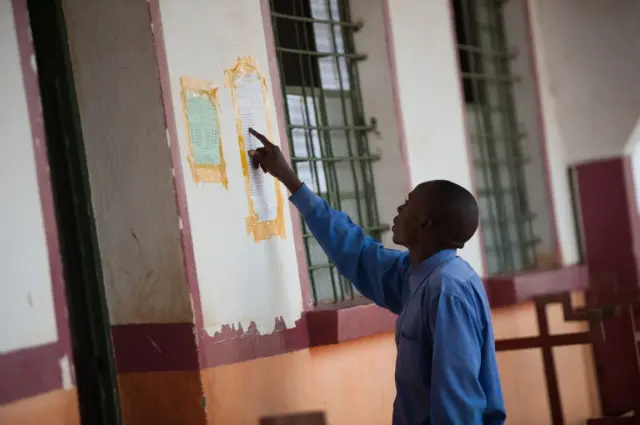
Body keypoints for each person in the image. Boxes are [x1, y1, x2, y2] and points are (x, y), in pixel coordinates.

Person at [248, 128, 506, 425]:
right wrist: (290, 181)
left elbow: (457, 399)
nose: (399, 208)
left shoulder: (446, 290)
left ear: (424, 223)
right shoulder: (416, 274)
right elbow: (356, 252)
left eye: (408, 203)